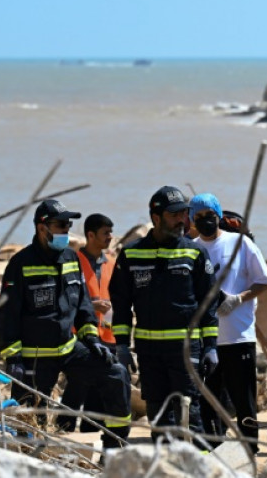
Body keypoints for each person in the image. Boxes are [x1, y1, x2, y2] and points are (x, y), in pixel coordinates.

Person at [0, 200, 130, 449]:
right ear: (41, 227)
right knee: (30, 424)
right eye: (60, 225)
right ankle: (30, 461)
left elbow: (82, 305)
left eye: (68, 225)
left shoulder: (71, 257)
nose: (66, 231)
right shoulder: (20, 264)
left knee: (116, 374)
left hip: (70, 349)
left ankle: (115, 450)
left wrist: (91, 338)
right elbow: (7, 315)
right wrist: (13, 358)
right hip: (35, 357)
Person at [110, 186, 219, 441]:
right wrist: (122, 346)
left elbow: (208, 303)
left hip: (185, 350)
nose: (183, 220)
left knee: (189, 414)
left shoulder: (194, 252)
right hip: (149, 352)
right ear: (156, 218)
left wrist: (211, 345)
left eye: (184, 213)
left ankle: (196, 468)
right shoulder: (131, 254)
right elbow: (121, 304)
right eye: (175, 215)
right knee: (158, 415)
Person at [190, 193, 267, 453]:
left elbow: (264, 281)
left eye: (210, 216)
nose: (206, 221)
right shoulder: (190, 248)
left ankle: (251, 449)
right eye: (199, 217)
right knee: (208, 400)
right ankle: (211, 449)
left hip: (238, 336)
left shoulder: (240, 244)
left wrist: (239, 299)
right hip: (207, 340)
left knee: (244, 399)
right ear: (192, 220)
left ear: (219, 216)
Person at [59, 213, 118, 433]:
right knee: (78, 383)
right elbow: (63, 299)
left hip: (107, 335)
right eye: (106, 233)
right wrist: (90, 306)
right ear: (90, 235)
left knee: (102, 388)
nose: (110, 237)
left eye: (111, 232)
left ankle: (90, 432)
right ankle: (62, 430)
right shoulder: (73, 262)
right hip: (80, 334)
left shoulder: (111, 263)